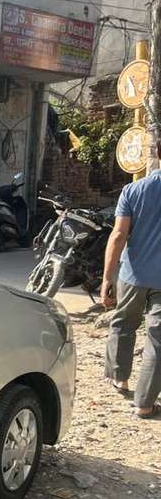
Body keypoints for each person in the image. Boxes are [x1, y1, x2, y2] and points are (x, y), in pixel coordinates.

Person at [102, 145, 161, 419]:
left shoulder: (134, 190)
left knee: (123, 323)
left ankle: (119, 378)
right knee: (157, 341)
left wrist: (107, 278)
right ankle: (144, 404)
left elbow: (118, 236)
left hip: (132, 275)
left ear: (157, 153)